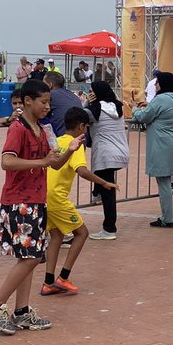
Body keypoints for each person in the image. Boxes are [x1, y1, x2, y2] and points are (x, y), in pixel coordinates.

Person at [0, 79, 71, 335]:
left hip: (36, 200)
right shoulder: (18, 129)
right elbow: (7, 162)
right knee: (31, 257)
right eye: (43, 102)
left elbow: (52, 164)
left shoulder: (42, 130)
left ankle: (22, 311)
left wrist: (67, 150)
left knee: (29, 258)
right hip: (19, 201)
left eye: (49, 102)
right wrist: (42, 161)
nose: (47, 106)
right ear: (28, 101)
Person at [41, 107, 117, 296]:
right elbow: (81, 170)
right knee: (82, 233)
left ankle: (48, 282)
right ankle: (63, 277)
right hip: (57, 198)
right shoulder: (77, 144)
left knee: (57, 236)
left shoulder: (57, 141)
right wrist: (104, 182)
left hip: (44, 196)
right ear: (82, 126)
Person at [130, 72, 173, 227]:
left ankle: (167, 218)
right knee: (166, 181)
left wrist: (134, 109)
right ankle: (167, 216)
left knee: (163, 183)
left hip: (161, 144)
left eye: (157, 83)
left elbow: (143, 117)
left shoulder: (161, 99)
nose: (155, 86)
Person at [86, 81, 129, 240]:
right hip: (120, 151)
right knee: (104, 180)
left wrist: (87, 102)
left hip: (105, 153)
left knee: (108, 191)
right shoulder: (117, 107)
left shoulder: (94, 110)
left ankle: (109, 228)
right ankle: (96, 193)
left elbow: (80, 114)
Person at [42, 71, 83, 137]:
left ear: (50, 85)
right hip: (81, 139)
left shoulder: (50, 95)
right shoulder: (74, 96)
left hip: (62, 140)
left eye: (43, 84)